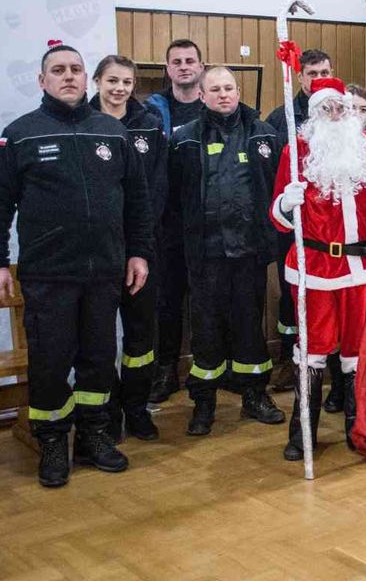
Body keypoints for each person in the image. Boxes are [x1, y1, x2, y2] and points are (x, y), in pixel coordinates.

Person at [0, 44, 152, 488]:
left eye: (75, 69)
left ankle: (94, 436)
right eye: (58, 70)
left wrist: (138, 252)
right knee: (51, 364)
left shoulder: (111, 132)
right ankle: (53, 440)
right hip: (48, 274)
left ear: (86, 78)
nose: (68, 76)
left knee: (98, 360)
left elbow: (137, 200)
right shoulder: (20, 134)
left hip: (105, 272)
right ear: (42, 81)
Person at [270, 77, 366, 460]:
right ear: (314, 113)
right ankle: (303, 431)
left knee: (355, 352)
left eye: (340, 107)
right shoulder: (296, 151)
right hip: (312, 268)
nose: (334, 113)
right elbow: (277, 220)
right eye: (325, 108)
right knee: (311, 351)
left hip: (360, 266)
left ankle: (357, 425)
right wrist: (285, 204)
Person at [169, 66, 284, 437]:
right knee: (206, 332)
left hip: (250, 254)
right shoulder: (184, 139)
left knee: (250, 327)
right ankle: (204, 402)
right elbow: (173, 200)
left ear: (239, 91)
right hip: (205, 256)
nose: (223, 94)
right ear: (201, 94)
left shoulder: (264, 134)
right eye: (215, 89)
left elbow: (278, 191)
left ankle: (255, 395)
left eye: (229, 88)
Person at [91, 55, 167, 441]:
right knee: (99, 338)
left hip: (141, 249)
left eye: (126, 82)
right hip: (98, 253)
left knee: (140, 338)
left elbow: (155, 189)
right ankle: (106, 413)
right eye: (112, 81)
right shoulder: (83, 126)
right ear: (97, 82)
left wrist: (141, 243)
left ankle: (137, 409)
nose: (119, 88)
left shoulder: (149, 127)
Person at [265, 49, 335, 395]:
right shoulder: (282, 119)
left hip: (331, 229)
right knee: (293, 294)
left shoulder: (340, 115)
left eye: (325, 70)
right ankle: (289, 360)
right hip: (293, 227)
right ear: (300, 76)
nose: (319, 77)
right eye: (312, 72)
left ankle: (330, 360)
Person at [147, 38, 205, 404]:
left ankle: (209, 370)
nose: (184, 66)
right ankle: (165, 370)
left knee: (206, 303)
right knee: (166, 304)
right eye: (176, 62)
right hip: (165, 227)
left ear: (201, 66)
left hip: (206, 224)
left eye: (190, 60)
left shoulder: (215, 108)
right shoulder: (152, 113)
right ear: (167, 69)